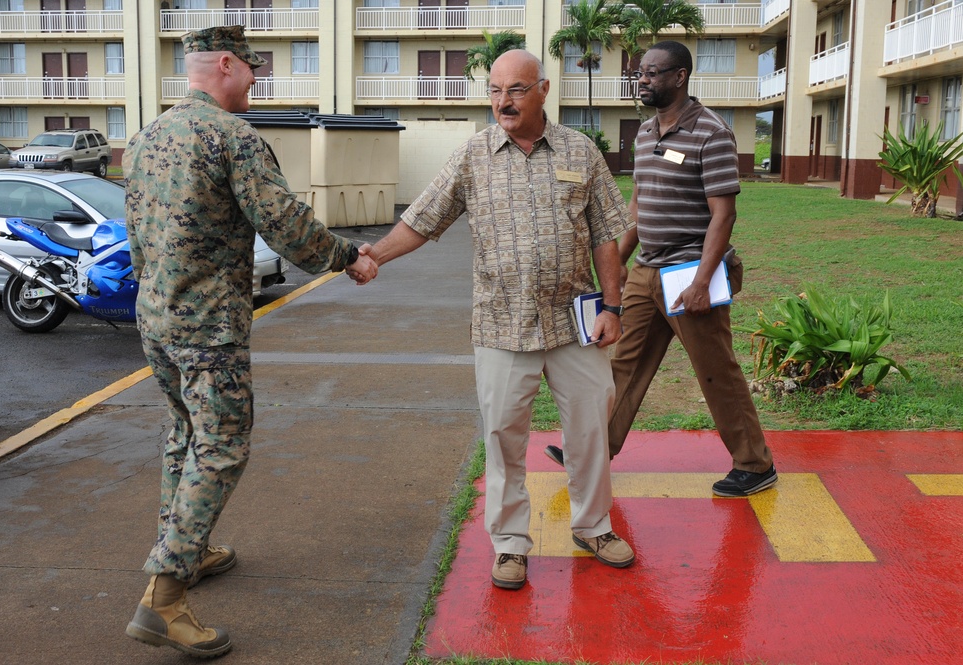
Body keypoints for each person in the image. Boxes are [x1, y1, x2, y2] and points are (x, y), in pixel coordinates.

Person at [122, 25, 377, 658]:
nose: (257, 80)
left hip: (156, 318)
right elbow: (285, 224)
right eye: (253, 70)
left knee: (184, 436)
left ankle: (190, 548)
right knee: (222, 446)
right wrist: (347, 257)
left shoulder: (147, 136)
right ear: (226, 65)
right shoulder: (234, 137)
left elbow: (133, 231)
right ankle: (165, 596)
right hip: (209, 328)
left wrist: (158, 292)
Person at [364, 49, 635, 591]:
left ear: (543, 90)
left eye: (515, 89)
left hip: (571, 320)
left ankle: (594, 526)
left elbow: (607, 231)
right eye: (494, 90)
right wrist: (375, 256)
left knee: (589, 427)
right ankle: (511, 544)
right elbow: (423, 218)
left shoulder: (581, 152)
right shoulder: (473, 156)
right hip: (501, 324)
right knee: (503, 437)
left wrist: (612, 306)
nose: (503, 101)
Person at [543, 41, 776, 498]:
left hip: (691, 270)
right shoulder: (646, 133)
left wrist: (703, 281)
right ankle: (592, 453)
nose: (642, 80)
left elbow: (723, 215)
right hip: (648, 270)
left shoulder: (711, 133)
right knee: (621, 367)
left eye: (652, 72)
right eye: (639, 73)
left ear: (680, 77)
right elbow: (639, 205)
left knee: (716, 372)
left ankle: (754, 464)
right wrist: (622, 260)